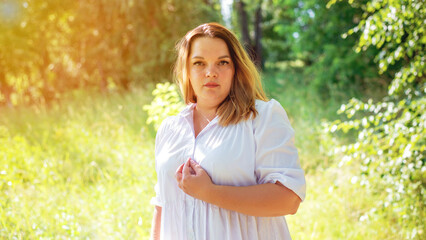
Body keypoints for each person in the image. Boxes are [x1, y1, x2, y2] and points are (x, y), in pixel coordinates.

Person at [150, 22, 306, 240]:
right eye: (199, 63)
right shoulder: (169, 129)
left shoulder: (261, 116)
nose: (211, 72)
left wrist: (209, 192)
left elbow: (288, 199)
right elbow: (162, 206)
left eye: (222, 62)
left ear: (236, 69)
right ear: (186, 70)